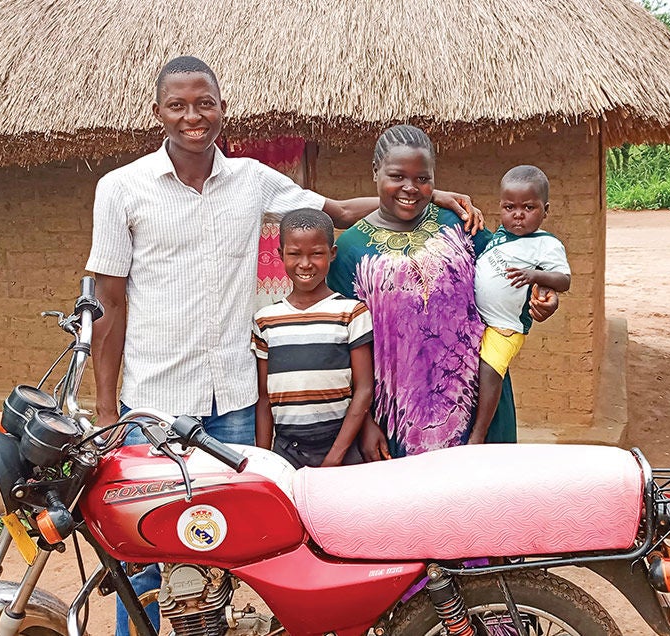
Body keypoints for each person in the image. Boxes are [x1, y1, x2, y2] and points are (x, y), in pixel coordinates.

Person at [85, 56, 481, 636]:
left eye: (205, 103)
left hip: (238, 406)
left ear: (223, 109)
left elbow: (341, 212)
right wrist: (105, 409)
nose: (193, 116)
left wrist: (428, 194)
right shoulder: (120, 189)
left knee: (246, 549)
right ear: (158, 113)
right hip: (156, 403)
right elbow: (110, 303)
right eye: (178, 105)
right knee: (146, 554)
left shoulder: (253, 180)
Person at [326, 125, 558, 459]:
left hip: (478, 406)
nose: (410, 188)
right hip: (395, 420)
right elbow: (340, 349)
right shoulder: (350, 249)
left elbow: (507, 273)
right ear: (375, 172)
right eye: (397, 176)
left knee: (481, 504)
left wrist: (543, 293)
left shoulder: (460, 224)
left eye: (423, 178)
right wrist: (364, 423)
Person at [252, 209, 373, 468]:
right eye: (294, 254)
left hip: (341, 448)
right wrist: (264, 462)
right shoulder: (266, 320)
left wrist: (335, 457)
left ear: (332, 254)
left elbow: (363, 389)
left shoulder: (351, 312)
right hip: (287, 452)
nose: (305, 264)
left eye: (316, 253)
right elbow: (264, 399)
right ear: (280, 255)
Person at [468, 166, 571, 444]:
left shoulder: (544, 245)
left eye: (529, 207)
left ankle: (479, 432)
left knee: (490, 370)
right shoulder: (498, 236)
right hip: (479, 322)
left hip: (506, 326)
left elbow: (563, 280)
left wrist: (535, 276)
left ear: (545, 210)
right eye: (509, 207)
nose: (518, 214)